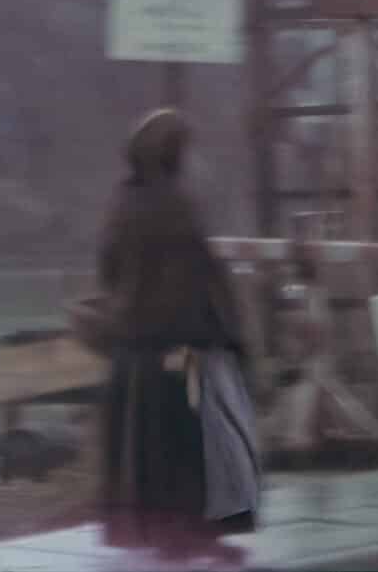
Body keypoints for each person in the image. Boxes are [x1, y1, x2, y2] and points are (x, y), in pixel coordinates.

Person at [90, 107, 260, 561]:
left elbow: (109, 269)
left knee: (156, 450)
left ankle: (176, 536)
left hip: (138, 344)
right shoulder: (175, 206)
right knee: (192, 445)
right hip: (182, 342)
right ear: (173, 154)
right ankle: (190, 536)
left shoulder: (124, 200)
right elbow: (198, 277)